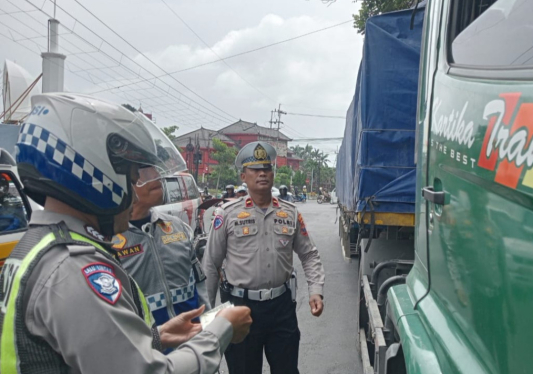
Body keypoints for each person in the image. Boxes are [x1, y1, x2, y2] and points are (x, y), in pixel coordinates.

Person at [0, 93, 252, 373]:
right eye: (131, 180)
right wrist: (220, 331)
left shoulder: (39, 247)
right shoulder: (73, 269)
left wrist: (155, 338)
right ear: (96, 174)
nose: (133, 194)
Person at [202, 141, 325, 374]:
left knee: (287, 369)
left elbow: (309, 254)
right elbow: (211, 264)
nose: (262, 174)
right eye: (255, 169)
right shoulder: (226, 214)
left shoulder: (289, 213)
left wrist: (315, 289)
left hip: (281, 308)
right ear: (243, 176)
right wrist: (207, 318)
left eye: (266, 169)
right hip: (240, 308)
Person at [112, 176, 211, 331]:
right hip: (147, 347)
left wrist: (210, 330)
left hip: (193, 340)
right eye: (143, 171)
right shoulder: (108, 237)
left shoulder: (177, 226)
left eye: (155, 168)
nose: (156, 175)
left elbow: (198, 282)